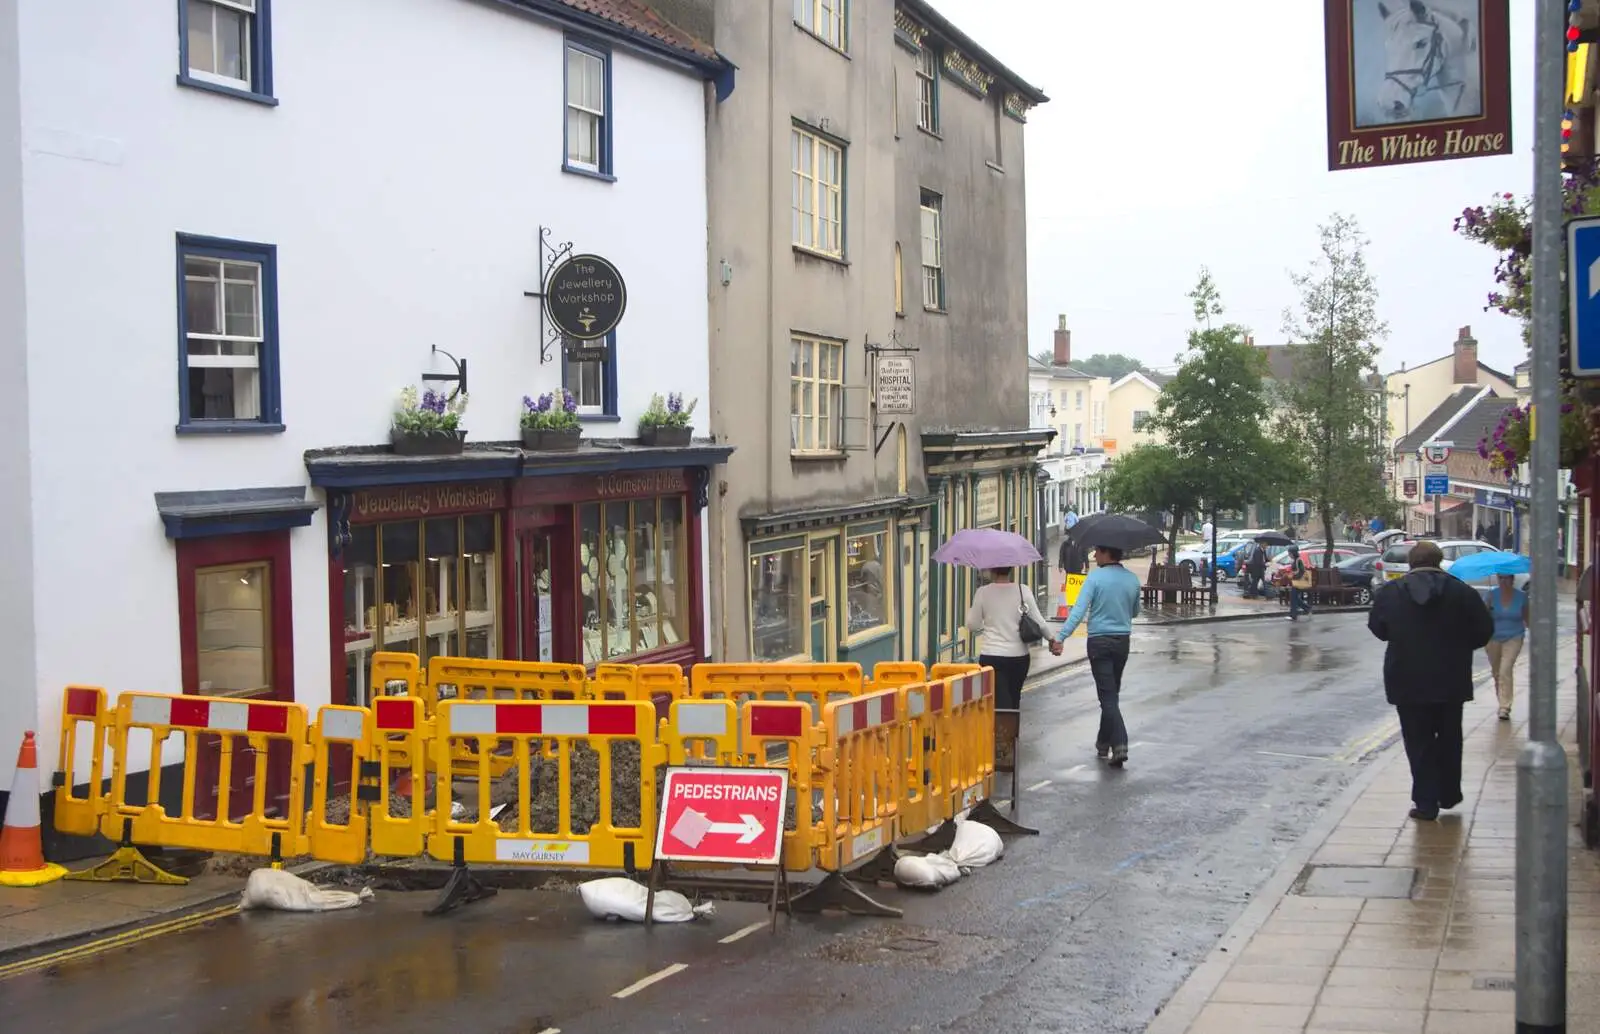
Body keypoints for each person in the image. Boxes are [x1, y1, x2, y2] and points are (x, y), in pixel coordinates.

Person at [1367, 541, 1494, 821]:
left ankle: (1426, 802)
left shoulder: (1391, 592)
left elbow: (1378, 628)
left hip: (1406, 679)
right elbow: (1484, 630)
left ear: (1411, 563)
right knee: (1450, 737)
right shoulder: (1462, 592)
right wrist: (1459, 647)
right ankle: (1449, 793)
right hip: (1451, 677)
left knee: (1418, 741)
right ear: (1440, 562)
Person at [1049, 544, 1141, 767]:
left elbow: (1078, 612)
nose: (1094, 556)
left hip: (1099, 642)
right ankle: (1102, 742)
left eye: (1097, 552)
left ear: (1107, 553)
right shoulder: (1132, 579)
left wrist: (1060, 638)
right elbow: (1135, 611)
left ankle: (1120, 745)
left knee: (1108, 697)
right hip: (1122, 641)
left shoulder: (1095, 578)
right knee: (1111, 694)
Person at [965, 567, 1049, 712]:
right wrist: (1053, 640)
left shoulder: (983, 592)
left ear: (992, 570)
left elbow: (973, 625)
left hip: (992, 657)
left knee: (998, 702)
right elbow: (1040, 622)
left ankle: (1001, 732)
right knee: (1014, 698)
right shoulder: (1023, 590)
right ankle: (1011, 733)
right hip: (1019, 657)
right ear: (1010, 569)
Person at [1485, 572, 1528, 721]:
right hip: (1493, 638)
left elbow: (1527, 618)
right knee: (1497, 673)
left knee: (1505, 670)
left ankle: (1505, 706)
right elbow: (1483, 617)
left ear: (1512, 579)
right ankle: (1502, 701)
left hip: (1514, 636)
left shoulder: (1522, 597)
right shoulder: (1491, 595)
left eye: (1506, 578)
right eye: (1500, 578)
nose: (1503, 581)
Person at [1287, 544, 1312, 620]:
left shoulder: (1298, 560)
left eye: (1290, 553)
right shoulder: (1295, 560)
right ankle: (1307, 609)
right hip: (1296, 581)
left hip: (1298, 582)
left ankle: (1294, 615)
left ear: (1293, 553)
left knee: (1293, 597)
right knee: (1294, 598)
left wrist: (1294, 576)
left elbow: (1302, 571)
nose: (1289, 555)